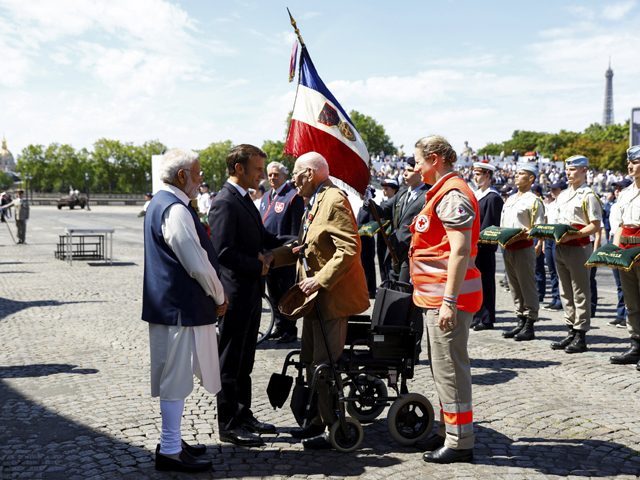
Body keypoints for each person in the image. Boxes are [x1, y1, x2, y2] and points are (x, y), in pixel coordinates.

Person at [270, 152, 369, 449]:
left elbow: (349, 247)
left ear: (310, 173)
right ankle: (316, 420)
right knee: (311, 362)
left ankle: (334, 427)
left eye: (297, 174)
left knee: (325, 366)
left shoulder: (334, 199)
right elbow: (304, 247)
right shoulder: (314, 200)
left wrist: (320, 278)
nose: (293, 181)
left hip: (332, 298)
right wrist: (269, 260)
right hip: (314, 300)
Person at [141, 148, 228, 473]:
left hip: (169, 306)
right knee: (175, 380)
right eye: (198, 172)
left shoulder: (159, 204)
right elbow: (197, 263)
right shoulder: (175, 209)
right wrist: (219, 295)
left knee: (173, 378)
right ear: (182, 176)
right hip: (180, 308)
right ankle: (171, 450)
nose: (201, 178)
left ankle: (172, 441)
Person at [409, 135, 481, 464]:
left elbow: (460, 250)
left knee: (450, 369)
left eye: (420, 161)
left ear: (436, 159)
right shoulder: (443, 192)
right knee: (443, 369)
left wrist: (449, 301)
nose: (416, 168)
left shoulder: (452, 194)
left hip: (447, 299)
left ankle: (460, 441)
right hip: (437, 298)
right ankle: (448, 429)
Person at [208, 144, 283, 447]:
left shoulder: (245, 199)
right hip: (235, 295)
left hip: (251, 292)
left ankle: (243, 413)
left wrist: (296, 244)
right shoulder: (225, 202)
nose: (261, 175)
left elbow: (264, 238)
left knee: (246, 361)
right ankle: (228, 424)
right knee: (230, 362)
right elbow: (222, 252)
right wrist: (257, 265)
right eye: (257, 169)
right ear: (239, 169)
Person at [551, 155, 603, 354]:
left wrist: (574, 236)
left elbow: (595, 226)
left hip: (579, 247)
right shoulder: (563, 195)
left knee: (580, 291)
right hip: (562, 247)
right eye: (567, 169)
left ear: (584, 171)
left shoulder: (588, 195)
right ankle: (570, 330)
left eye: (573, 169)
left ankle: (581, 334)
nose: (568, 172)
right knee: (565, 291)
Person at [260, 161, 305, 343]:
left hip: (284, 254)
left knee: (286, 292)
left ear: (285, 176)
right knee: (273, 292)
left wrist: (290, 251)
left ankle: (290, 328)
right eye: (270, 174)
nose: (272, 177)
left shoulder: (293, 197)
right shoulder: (265, 197)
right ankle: (279, 326)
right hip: (267, 253)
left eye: (276, 174)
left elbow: (295, 231)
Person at [500, 164, 545, 341]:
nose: (516, 176)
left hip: (523, 247)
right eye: (516, 173)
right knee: (514, 286)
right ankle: (520, 319)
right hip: (508, 248)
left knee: (527, 285)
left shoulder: (534, 200)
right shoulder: (510, 199)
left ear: (531, 178)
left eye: (521, 174)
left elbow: (538, 227)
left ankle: (530, 322)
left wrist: (521, 237)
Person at [374, 156, 430, 291]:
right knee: (393, 290)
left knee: (405, 292)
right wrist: (367, 201)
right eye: (404, 170)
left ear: (420, 173)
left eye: (409, 170)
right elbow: (382, 211)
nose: (404, 173)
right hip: (395, 250)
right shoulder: (402, 194)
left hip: (410, 252)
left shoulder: (427, 195)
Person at [610, 146, 640, 369]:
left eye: (635, 162)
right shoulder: (627, 193)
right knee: (631, 301)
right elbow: (620, 225)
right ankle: (635, 344)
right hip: (625, 251)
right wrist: (613, 251)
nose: (630, 166)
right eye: (629, 162)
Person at [471, 161, 503, 331]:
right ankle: (477, 315)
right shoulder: (477, 195)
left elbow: (490, 224)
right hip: (475, 245)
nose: (475, 177)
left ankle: (487, 318)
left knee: (487, 283)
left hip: (484, 246)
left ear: (487, 175)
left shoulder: (493, 197)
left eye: (478, 174)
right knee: (476, 283)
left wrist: (478, 241)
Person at [607, 179, 631, 327]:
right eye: (616, 188)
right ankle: (621, 314)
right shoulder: (614, 205)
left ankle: (629, 314)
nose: (617, 191)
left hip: (627, 241)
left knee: (628, 282)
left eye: (621, 188)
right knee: (619, 282)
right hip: (614, 240)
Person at [541, 180, 567, 311]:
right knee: (552, 270)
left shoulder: (564, 204)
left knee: (559, 271)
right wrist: (544, 241)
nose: (552, 191)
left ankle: (560, 299)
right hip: (550, 238)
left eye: (555, 189)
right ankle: (554, 297)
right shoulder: (550, 205)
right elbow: (545, 223)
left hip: (558, 237)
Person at [376, 178, 400, 283]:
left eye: (386, 188)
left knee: (389, 265)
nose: (384, 191)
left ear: (394, 190)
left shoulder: (397, 204)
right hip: (381, 236)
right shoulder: (383, 203)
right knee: (382, 263)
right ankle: (384, 284)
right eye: (383, 188)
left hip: (391, 237)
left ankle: (389, 285)